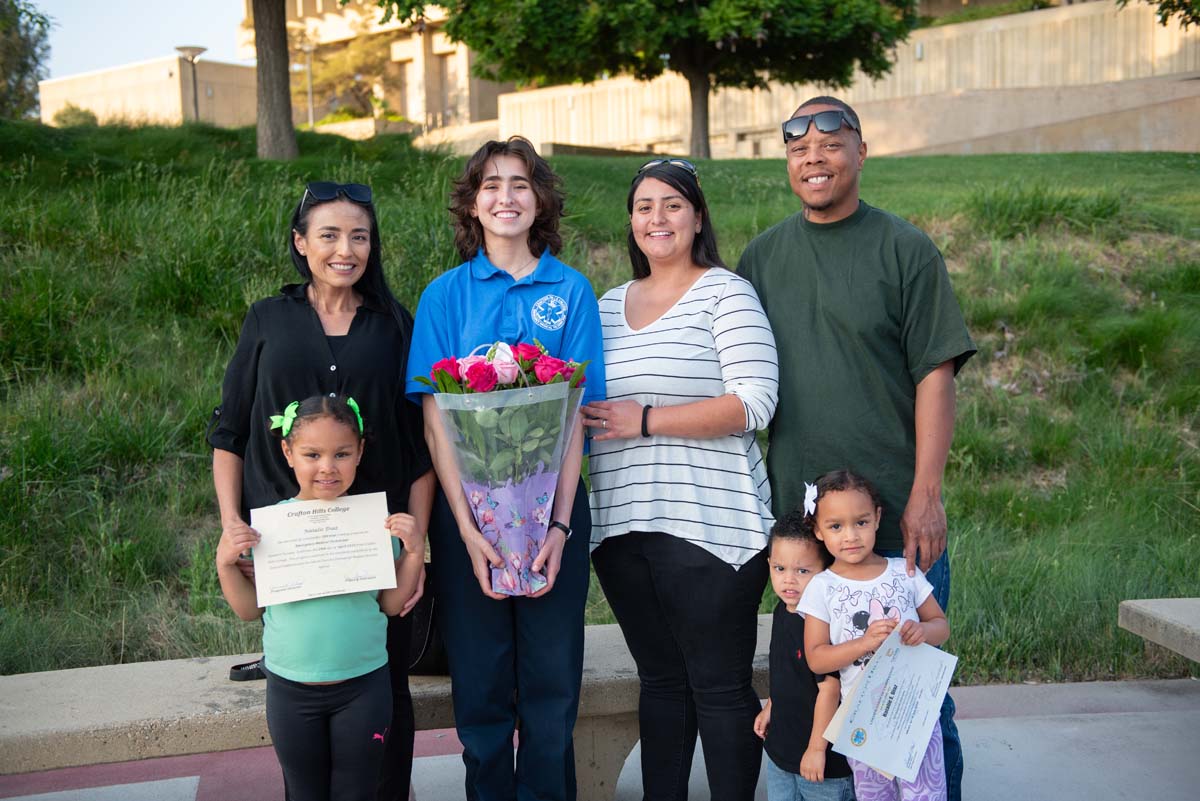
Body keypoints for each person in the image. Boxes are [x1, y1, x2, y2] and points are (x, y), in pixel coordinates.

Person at [736, 96, 975, 800]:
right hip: (804, 540)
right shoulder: (763, 257)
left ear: (861, 153)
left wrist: (926, 495)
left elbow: (936, 374)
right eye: (798, 147)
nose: (814, 157)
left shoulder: (904, 249)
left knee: (917, 700)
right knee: (817, 685)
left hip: (895, 521)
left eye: (831, 143)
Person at [207, 181, 433, 801]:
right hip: (283, 548)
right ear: (300, 242)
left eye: (359, 236)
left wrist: (416, 549)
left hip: (374, 546)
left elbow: (420, 446)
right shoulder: (268, 320)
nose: (345, 249)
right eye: (329, 235)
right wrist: (232, 523)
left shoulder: (393, 326)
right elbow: (228, 433)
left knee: (385, 690)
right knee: (303, 692)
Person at [405, 136, 606, 801]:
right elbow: (437, 420)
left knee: (551, 691)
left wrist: (558, 526)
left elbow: (575, 413)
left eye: (520, 183)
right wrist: (464, 530)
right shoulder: (444, 296)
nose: (506, 197)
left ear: (540, 198)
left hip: (551, 520)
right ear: (472, 203)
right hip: (473, 524)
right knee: (484, 694)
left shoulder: (571, 290)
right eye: (491, 185)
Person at [583, 158, 778, 801]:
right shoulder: (605, 306)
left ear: (697, 218)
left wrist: (645, 420)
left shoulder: (726, 292)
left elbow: (754, 402)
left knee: (719, 686)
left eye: (672, 204)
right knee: (661, 682)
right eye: (644, 206)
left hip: (711, 525)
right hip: (621, 527)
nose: (656, 218)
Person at [216, 395, 426, 801]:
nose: (327, 467)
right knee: (304, 792)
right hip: (291, 689)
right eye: (312, 454)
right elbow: (247, 609)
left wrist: (415, 552)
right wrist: (226, 565)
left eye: (342, 453)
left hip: (364, 688)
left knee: (358, 791)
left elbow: (391, 605)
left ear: (360, 452)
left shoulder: (373, 527)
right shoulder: (269, 530)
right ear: (287, 453)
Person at [798, 470, 950, 801]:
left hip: (915, 712)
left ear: (878, 519)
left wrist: (922, 631)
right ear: (818, 530)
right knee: (875, 796)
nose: (850, 535)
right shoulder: (822, 588)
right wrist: (864, 643)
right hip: (863, 720)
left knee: (927, 794)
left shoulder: (904, 572)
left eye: (861, 522)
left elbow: (941, 625)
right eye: (836, 526)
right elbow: (816, 656)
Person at [753, 509, 854, 801]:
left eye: (803, 571)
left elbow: (830, 688)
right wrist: (771, 705)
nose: (789, 581)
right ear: (769, 565)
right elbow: (786, 671)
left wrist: (816, 749)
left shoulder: (823, 626)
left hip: (821, 763)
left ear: (826, 570)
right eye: (780, 569)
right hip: (782, 752)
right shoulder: (782, 612)